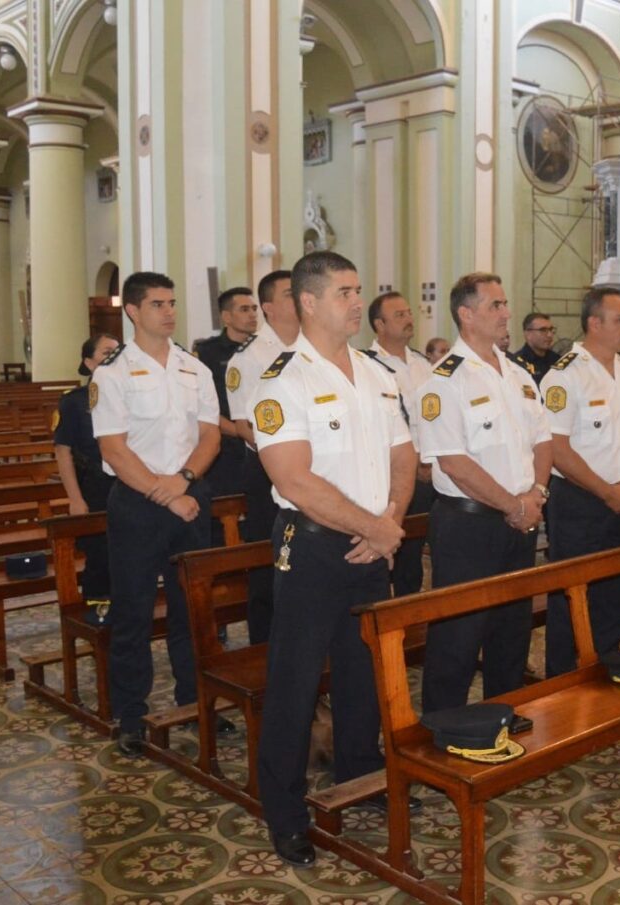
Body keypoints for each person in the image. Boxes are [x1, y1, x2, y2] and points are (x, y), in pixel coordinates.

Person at [250, 252, 416, 869]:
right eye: (345, 292)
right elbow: (295, 480)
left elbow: (404, 453)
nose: (357, 301)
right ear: (309, 302)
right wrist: (373, 525)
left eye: (358, 289)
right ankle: (286, 813)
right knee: (294, 684)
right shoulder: (283, 381)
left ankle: (360, 773)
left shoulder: (375, 373)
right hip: (313, 547)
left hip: (374, 543)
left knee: (361, 673)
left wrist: (389, 525)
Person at [91, 272, 221, 755]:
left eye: (172, 302)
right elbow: (115, 449)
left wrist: (184, 482)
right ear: (133, 311)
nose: (169, 312)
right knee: (134, 611)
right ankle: (130, 713)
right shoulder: (112, 372)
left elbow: (209, 435)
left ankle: (195, 699)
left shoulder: (194, 367)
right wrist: (166, 494)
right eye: (158, 304)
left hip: (189, 495)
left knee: (195, 610)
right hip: (138, 504)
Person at [417, 272, 552, 713]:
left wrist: (535, 494)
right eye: (496, 305)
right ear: (466, 314)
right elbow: (454, 462)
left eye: (505, 303)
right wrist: (515, 505)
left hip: (521, 517)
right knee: (458, 636)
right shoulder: (444, 380)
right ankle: (442, 733)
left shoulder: (518, 373)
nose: (507, 313)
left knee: (511, 632)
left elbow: (543, 441)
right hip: (468, 524)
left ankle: (501, 718)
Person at [539, 289, 620, 676]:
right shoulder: (566, 374)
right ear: (594, 323)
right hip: (580, 501)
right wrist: (607, 491)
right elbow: (557, 447)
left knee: (615, 593)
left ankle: (606, 668)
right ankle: (564, 682)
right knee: (573, 594)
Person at [225, 270, 299, 643]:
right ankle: (266, 653)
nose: (299, 297)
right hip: (269, 470)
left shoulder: (315, 347)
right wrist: (291, 455)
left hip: (319, 468)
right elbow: (242, 425)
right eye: (289, 293)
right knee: (269, 570)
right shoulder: (249, 358)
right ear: (268, 307)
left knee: (310, 568)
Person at [367, 291, 435, 596]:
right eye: (399, 315)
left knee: (414, 554)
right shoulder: (366, 366)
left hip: (430, 471)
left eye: (409, 313)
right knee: (390, 551)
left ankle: (410, 620)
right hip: (393, 474)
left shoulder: (423, 364)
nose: (409, 320)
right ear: (379, 325)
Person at [53, 334, 120, 620]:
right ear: (89, 362)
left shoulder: (131, 395)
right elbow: (63, 452)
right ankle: (99, 614)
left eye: (118, 352)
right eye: (107, 353)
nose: (114, 358)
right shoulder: (74, 402)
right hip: (94, 487)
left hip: (130, 483)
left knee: (129, 552)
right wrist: (75, 498)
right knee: (100, 555)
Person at [194, 287, 258, 522]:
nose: (252, 315)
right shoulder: (207, 353)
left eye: (254, 309)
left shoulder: (264, 350)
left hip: (259, 445)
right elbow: (202, 405)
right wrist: (240, 431)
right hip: (223, 448)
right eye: (244, 309)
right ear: (227, 317)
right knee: (224, 519)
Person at [517, 312, 561, 384]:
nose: (550, 335)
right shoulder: (517, 363)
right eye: (543, 330)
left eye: (551, 329)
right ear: (528, 334)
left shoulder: (557, 360)